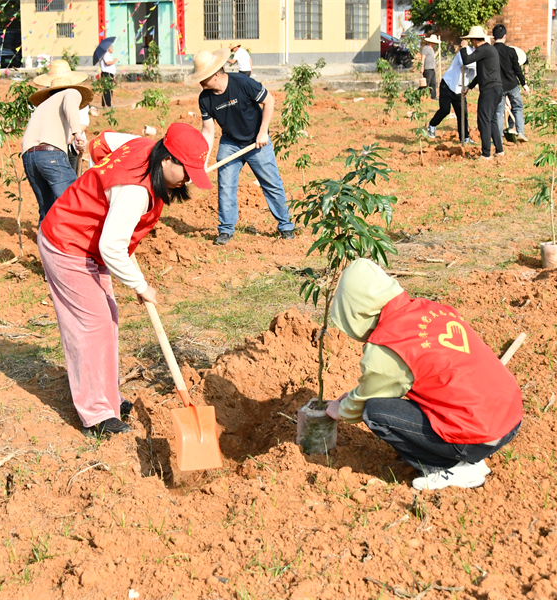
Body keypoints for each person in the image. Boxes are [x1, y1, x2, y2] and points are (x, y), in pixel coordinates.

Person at [38, 123, 213, 437]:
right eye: (186, 171)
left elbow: (101, 145)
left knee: (108, 319)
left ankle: (109, 399)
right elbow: (112, 246)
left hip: (88, 244)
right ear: (167, 159)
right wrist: (140, 284)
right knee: (91, 324)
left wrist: (101, 193)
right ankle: (96, 415)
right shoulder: (134, 191)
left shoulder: (144, 145)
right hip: (67, 243)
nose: (188, 180)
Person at [324, 258, 523, 490]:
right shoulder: (429, 309)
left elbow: (367, 399)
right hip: (509, 417)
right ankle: (471, 458)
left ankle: (449, 468)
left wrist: (344, 410)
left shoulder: (388, 342)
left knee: (375, 411)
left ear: (355, 309)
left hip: (479, 433)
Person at [188, 49, 295, 246]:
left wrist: (263, 132)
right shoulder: (205, 98)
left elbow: (269, 101)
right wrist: (202, 161)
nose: (201, 82)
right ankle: (226, 229)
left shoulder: (242, 83)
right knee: (226, 185)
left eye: (203, 78)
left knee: (271, 183)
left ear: (216, 74)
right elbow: (208, 132)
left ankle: (286, 226)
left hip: (257, 141)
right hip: (230, 143)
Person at [22, 60, 91, 224]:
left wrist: (71, 137)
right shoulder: (71, 93)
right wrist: (78, 133)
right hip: (50, 154)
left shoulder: (43, 106)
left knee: (47, 210)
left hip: (28, 157)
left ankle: (46, 246)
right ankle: (78, 246)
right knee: (75, 202)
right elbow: (70, 104)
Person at [459, 25, 504, 160]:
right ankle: (499, 150)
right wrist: (469, 86)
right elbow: (481, 75)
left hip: (489, 90)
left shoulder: (483, 49)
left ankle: (486, 154)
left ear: (473, 40)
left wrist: (463, 48)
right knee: (492, 119)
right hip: (497, 89)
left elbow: (466, 60)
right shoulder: (490, 50)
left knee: (484, 120)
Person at [426, 40, 476, 143]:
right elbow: (465, 62)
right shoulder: (466, 50)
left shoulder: (482, 56)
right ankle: (432, 125)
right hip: (448, 84)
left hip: (460, 88)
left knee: (462, 114)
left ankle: (464, 138)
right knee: (445, 109)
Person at [492, 25, 529, 143]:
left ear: (493, 37)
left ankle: (498, 139)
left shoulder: (491, 52)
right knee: (517, 107)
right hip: (512, 85)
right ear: (505, 36)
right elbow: (517, 69)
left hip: (498, 87)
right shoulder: (511, 51)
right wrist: (524, 84)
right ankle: (520, 132)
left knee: (498, 113)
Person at [420, 35, 440, 100]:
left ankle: (433, 96)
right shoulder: (425, 48)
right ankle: (418, 93)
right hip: (427, 69)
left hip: (432, 69)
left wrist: (437, 52)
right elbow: (423, 58)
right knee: (426, 83)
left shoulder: (432, 49)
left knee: (433, 83)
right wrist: (422, 67)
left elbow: (432, 57)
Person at [100, 42, 117, 108]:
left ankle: (107, 104)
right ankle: (107, 104)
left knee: (108, 89)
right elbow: (107, 63)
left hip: (109, 74)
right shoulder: (106, 54)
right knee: (107, 89)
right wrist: (114, 61)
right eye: (112, 47)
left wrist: (113, 75)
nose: (113, 49)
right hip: (107, 74)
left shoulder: (108, 54)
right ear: (109, 48)